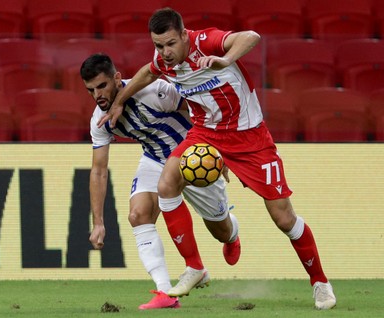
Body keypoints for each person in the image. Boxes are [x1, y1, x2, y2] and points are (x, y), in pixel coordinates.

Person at [97, 8, 337, 310]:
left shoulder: (205, 42)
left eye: (171, 43)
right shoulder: (163, 61)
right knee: (166, 183)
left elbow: (251, 36)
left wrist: (226, 59)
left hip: (249, 138)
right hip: (205, 133)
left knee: (283, 218)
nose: (165, 52)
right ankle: (194, 267)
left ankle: (319, 281)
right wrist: (119, 102)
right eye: (159, 45)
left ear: (184, 35)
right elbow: (147, 72)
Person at [82, 53, 241, 310]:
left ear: (117, 78)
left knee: (219, 230)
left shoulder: (154, 91)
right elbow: (98, 170)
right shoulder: (100, 121)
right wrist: (98, 222)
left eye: (102, 86)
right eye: (91, 90)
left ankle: (231, 232)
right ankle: (165, 292)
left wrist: (220, 151)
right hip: (155, 160)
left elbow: (201, 110)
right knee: (138, 214)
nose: (97, 95)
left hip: (194, 158)